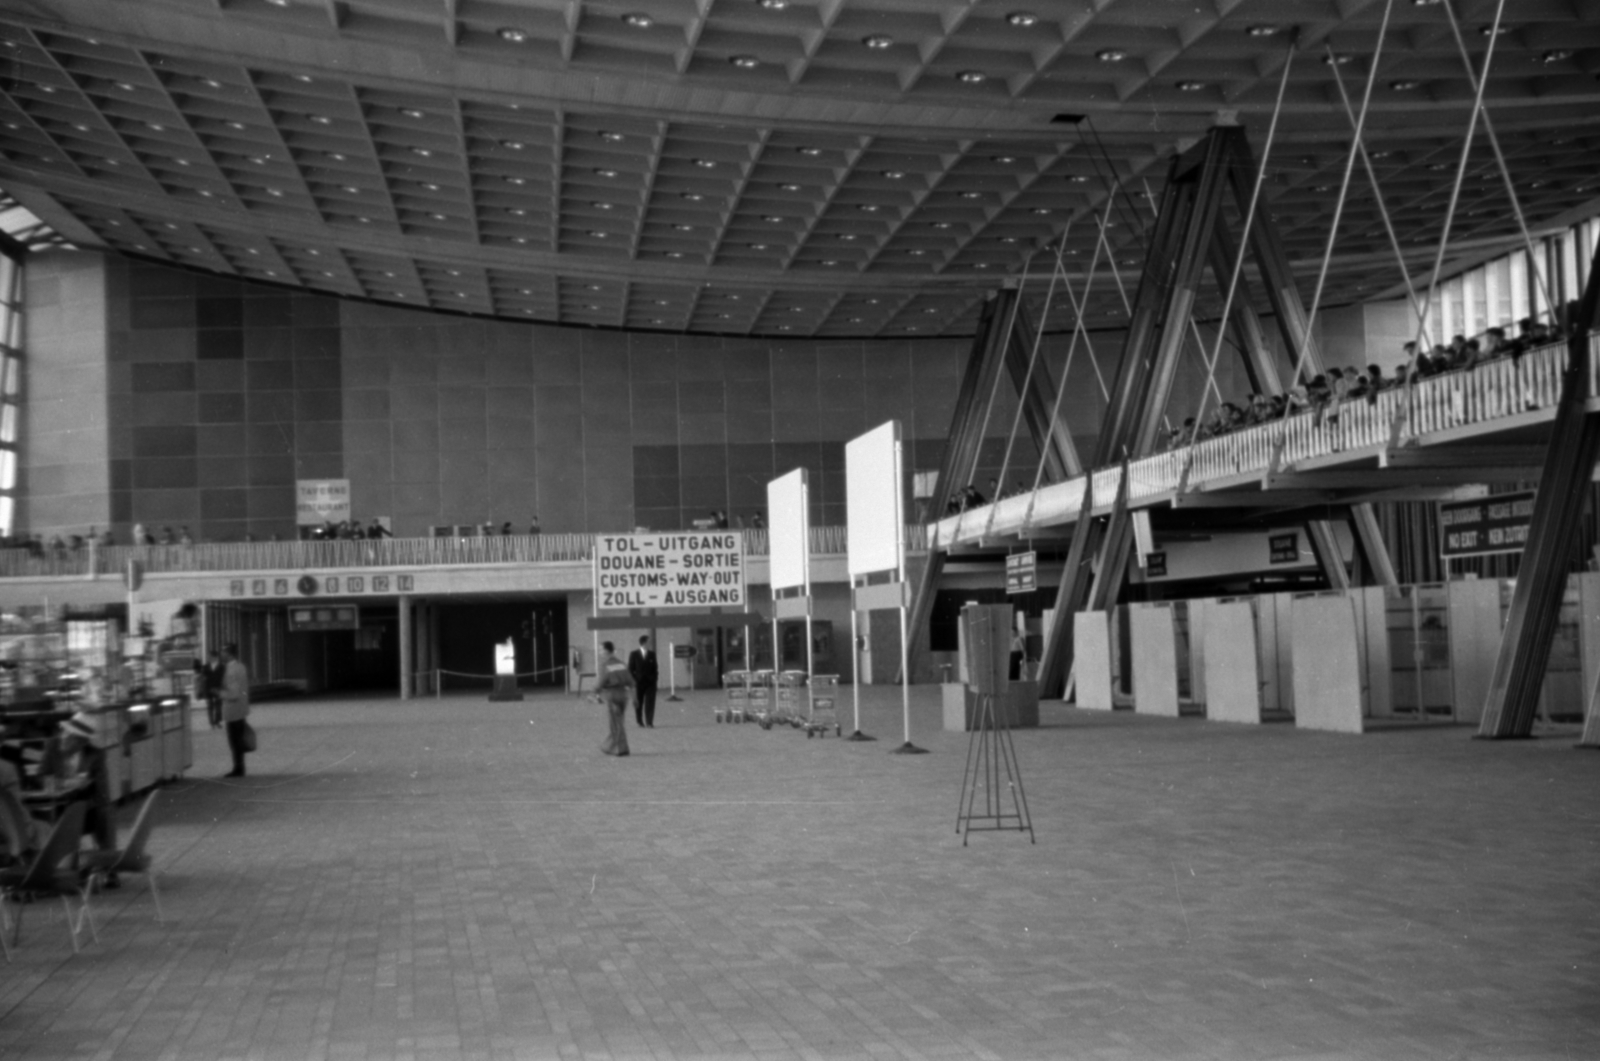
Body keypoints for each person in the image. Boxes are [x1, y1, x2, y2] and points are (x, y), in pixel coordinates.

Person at [58, 712, 117, 880]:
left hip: (87, 807)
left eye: (69, 735)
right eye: (63, 732)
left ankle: (108, 866)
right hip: (59, 804)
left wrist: (87, 799)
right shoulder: (54, 749)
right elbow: (43, 774)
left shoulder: (95, 755)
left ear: (82, 741)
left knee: (104, 811)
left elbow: (102, 790)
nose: (63, 737)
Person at [596, 641, 633, 757]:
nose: (600, 652)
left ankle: (617, 748)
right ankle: (620, 747)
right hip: (623, 695)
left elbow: (601, 682)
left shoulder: (606, 665)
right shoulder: (621, 664)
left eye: (601, 650)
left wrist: (594, 691)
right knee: (619, 721)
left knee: (615, 724)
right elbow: (631, 681)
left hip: (612, 695)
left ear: (607, 651)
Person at [220, 642, 252, 777]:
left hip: (232, 710)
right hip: (241, 709)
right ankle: (240, 767)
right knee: (239, 739)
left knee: (234, 741)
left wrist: (218, 692)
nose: (221, 654)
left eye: (223, 652)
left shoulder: (230, 670)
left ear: (229, 653)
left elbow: (233, 693)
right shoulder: (241, 667)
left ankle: (238, 768)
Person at [628, 635, 658, 728]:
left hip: (650, 683)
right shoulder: (634, 654)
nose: (650, 643)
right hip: (638, 683)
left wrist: (654, 679)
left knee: (650, 702)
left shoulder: (652, 654)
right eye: (649, 641)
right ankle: (639, 721)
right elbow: (630, 669)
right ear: (644, 642)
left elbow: (655, 669)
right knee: (639, 702)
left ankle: (649, 722)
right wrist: (634, 680)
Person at [196, 650, 225, 729]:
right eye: (208, 657)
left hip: (218, 688)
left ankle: (217, 721)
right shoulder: (205, 667)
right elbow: (202, 678)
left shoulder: (221, 666)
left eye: (210, 656)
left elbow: (224, 678)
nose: (209, 658)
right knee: (210, 706)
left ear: (215, 657)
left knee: (218, 706)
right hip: (208, 689)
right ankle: (212, 723)